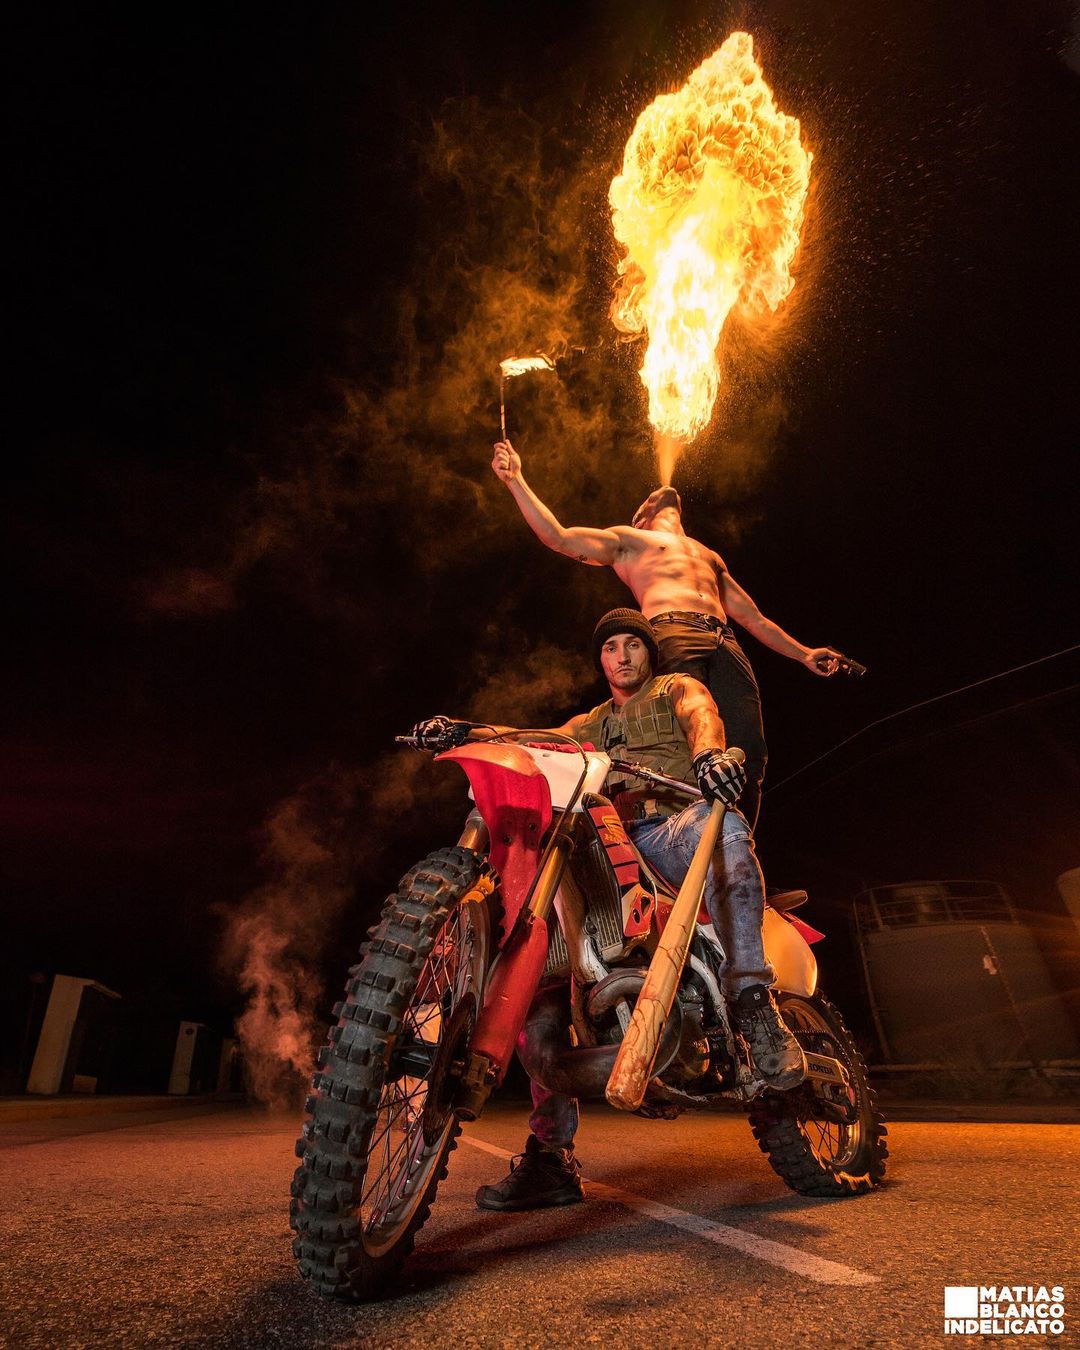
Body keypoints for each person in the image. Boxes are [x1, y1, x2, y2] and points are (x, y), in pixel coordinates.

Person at [411, 608, 807, 1212]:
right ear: (600, 660)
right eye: (610, 648)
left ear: (649, 653)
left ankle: (752, 1000)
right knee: (542, 978)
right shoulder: (592, 722)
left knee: (721, 825)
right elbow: (535, 737)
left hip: (670, 828)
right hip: (601, 839)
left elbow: (702, 715)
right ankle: (550, 1157)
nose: (621, 656)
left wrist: (710, 756)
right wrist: (465, 731)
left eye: (632, 645)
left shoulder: (676, 688)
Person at [491, 440, 845, 829]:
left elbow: (755, 619)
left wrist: (804, 653)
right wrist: (516, 480)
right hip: (671, 630)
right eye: (648, 500)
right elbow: (557, 537)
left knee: (748, 746)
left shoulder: (707, 555)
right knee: (680, 733)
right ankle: (674, 835)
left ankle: (732, 843)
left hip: (723, 640)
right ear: (640, 517)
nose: (660, 493)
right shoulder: (630, 540)